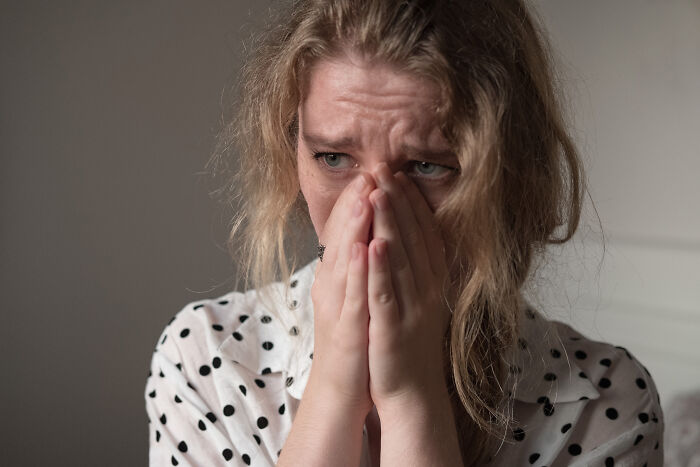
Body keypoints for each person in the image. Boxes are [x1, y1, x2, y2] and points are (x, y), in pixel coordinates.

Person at [144, 0, 665, 465]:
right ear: (292, 151)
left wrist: (411, 398)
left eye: (426, 167)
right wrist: (334, 388)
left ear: (508, 173)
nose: (373, 211)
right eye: (333, 158)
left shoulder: (606, 404)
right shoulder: (206, 360)